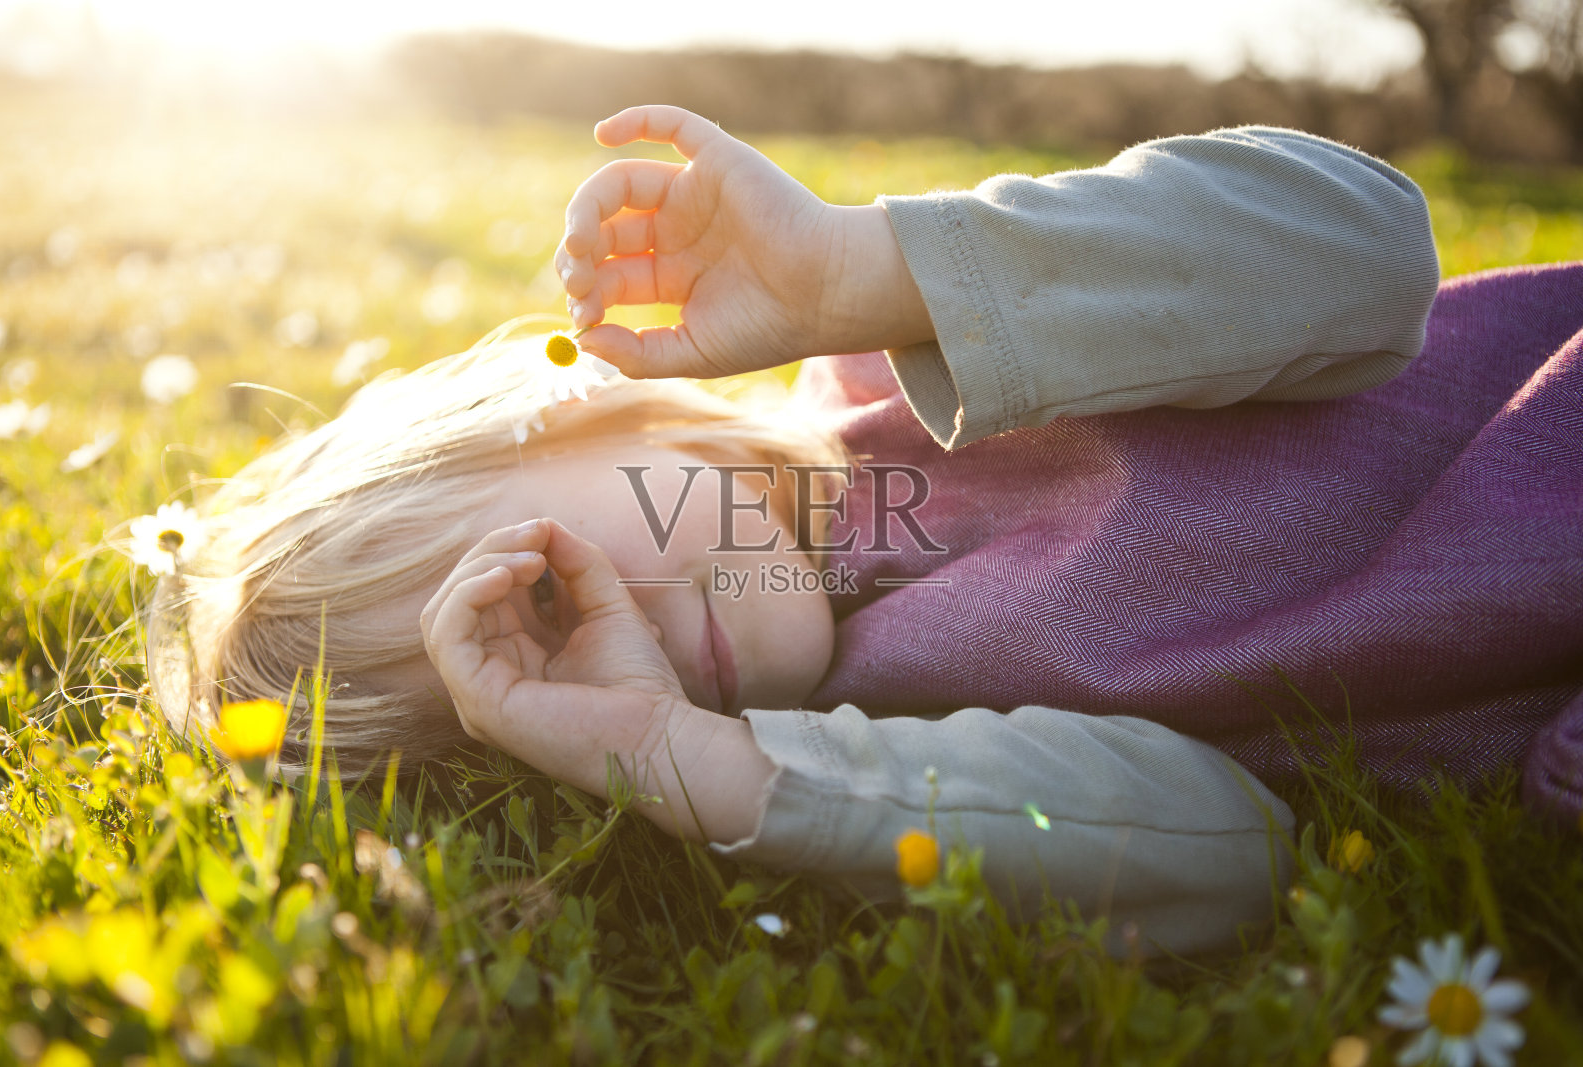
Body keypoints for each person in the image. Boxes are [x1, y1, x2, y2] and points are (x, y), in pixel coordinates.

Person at [147, 106, 1583, 957]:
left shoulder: (919, 345)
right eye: (528, 724)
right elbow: (1231, 849)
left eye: (540, 591)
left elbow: (1369, 253)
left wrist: (861, 272)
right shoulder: (860, 753)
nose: (621, 648)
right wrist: (681, 759)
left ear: (580, 419)